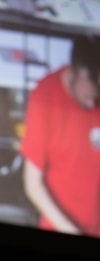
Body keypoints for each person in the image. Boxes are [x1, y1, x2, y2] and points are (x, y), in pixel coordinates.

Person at [20, 34, 100, 237]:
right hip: (60, 229)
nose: (93, 105)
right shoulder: (44, 98)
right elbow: (33, 184)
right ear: (76, 72)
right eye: (89, 96)